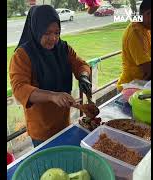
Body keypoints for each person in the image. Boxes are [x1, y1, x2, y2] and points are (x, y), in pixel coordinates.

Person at [9, 5, 92, 147]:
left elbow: (80, 64)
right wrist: (52, 96)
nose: (53, 38)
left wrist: (83, 76)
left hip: (63, 123)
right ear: (36, 29)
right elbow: (19, 88)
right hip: (42, 129)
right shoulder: (22, 55)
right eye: (47, 33)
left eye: (57, 32)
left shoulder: (63, 48)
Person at [116, 0, 151, 91]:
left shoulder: (146, 28)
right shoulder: (135, 33)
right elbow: (148, 68)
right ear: (148, 14)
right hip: (130, 88)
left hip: (141, 84)